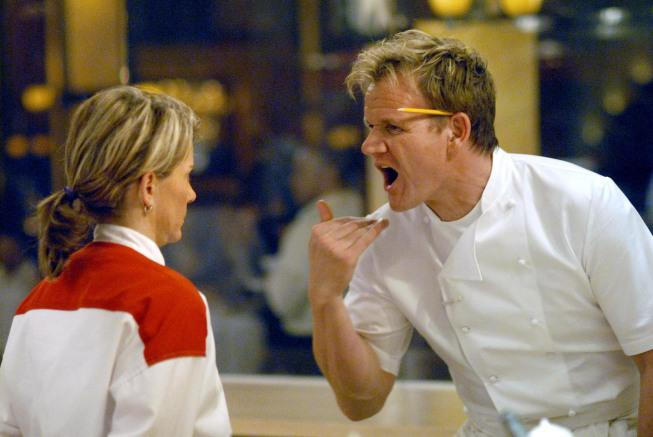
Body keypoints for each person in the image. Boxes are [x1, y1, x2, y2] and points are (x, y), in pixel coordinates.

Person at [308, 29, 653, 437]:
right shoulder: (386, 236)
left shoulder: (580, 202)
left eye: (392, 128)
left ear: (456, 130)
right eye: (370, 127)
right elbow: (360, 402)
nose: (369, 145)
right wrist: (326, 296)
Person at [0, 86, 231, 436]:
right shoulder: (168, 303)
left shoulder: (36, 302)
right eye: (186, 174)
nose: (191, 193)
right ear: (149, 186)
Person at [262, 145, 363, 374]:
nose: (293, 181)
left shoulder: (312, 221)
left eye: (301, 171)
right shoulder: (365, 207)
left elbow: (283, 297)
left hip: (309, 348)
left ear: (330, 172)